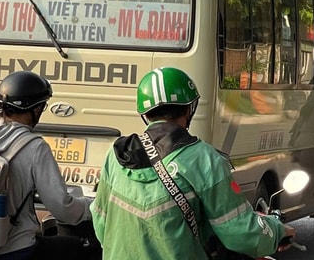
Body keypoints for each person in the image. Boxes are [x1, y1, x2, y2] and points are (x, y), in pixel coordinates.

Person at [91, 67, 296, 259]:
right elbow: (239, 231)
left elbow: (101, 223)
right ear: (189, 109)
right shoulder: (204, 159)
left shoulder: (116, 155)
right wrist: (277, 231)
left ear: (145, 114)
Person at [0, 70, 97, 260]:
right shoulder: (35, 146)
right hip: (15, 249)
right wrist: (94, 207)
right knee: (88, 249)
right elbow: (63, 209)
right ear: (35, 110)